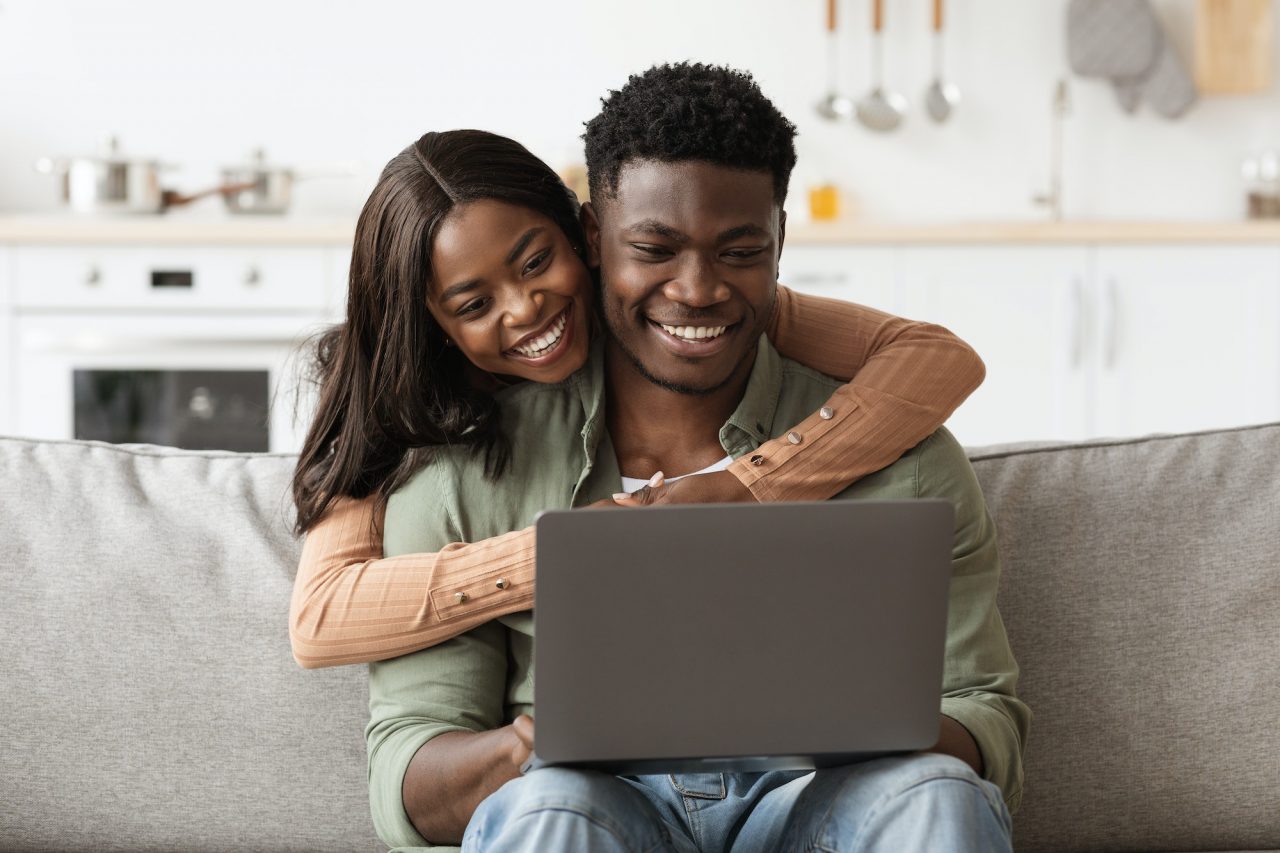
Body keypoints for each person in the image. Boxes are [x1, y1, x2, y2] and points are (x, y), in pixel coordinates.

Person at [366, 63, 1029, 853]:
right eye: (655, 248)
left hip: (819, 806)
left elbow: (985, 713)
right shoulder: (466, 466)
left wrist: (850, 731)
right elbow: (406, 769)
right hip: (590, 813)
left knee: (934, 794)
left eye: (740, 250)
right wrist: (536, 744)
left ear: (781, 240)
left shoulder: (908, 460)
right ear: (590, 238)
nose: (698, 289)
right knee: (547, 810)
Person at [288, 131, 987, 670]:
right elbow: (320, 618)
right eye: (474, 302)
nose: (526, 307)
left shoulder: (668, 310)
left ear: (583, 237)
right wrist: (561, 557)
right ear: (429, 319)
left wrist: (750, 485)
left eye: (536, 262)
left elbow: (938, 358)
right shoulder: (391, 392)